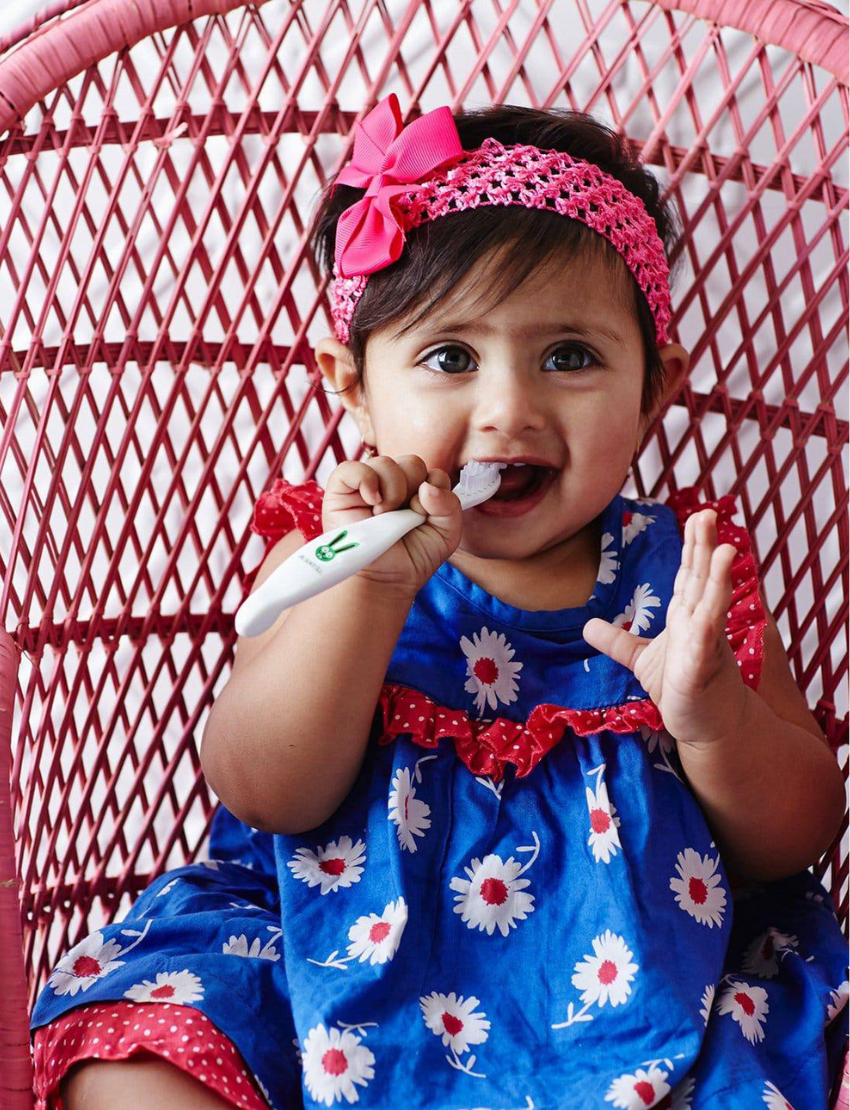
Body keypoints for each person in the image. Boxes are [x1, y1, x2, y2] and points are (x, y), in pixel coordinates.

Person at [29, 93, 848, 1110]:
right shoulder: (333, 550)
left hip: (636, 982)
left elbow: (794, 832)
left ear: (655, 387)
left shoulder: (679, 571)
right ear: (353, 387)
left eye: (569, 357)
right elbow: (263, 789)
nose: (508, 407)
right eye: (449, 357)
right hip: (312, 943)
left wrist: (712, 717)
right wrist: (369, 597)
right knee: (131, 1073)